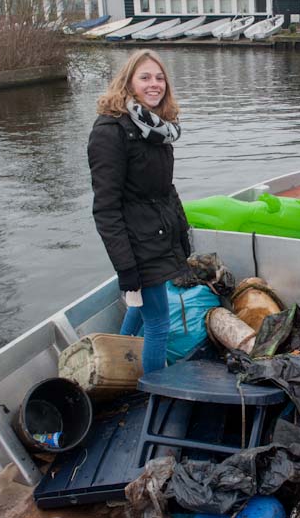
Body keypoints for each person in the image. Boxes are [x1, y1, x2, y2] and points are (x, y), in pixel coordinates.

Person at [88, 49, 191, 373]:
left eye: (159, 78)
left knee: (144, 305)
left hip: (159, 235)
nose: (154, 84)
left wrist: (182, 233)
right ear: (129, 82)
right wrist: (126, 268)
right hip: (137, 243)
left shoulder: (158, 129)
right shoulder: (110, 132)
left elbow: (165, 190)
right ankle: (155, 394)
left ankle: (117, 359)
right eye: (145, 77)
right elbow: (105, 208)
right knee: (159, 324)